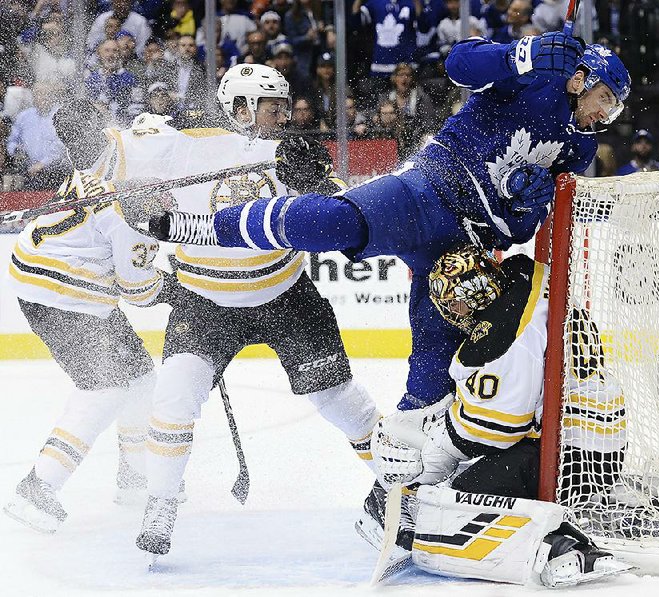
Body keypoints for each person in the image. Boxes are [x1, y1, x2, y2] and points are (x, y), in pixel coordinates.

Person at [146, 35, 631, 417]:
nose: (605, 113)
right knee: (338, 221)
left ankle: (392, 497)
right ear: (579, 78)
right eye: (604, 97)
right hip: (426, 191)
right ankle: (211, 228)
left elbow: (525, 227)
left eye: (614, 107)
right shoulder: (537, 78)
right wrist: (515, 55)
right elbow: (459, 64)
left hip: (465, 248)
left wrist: (527, 203)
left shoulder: (582, 147)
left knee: (434, 374)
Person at [97, 64, 382, 557]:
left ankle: (401, 484)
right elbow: (105, 155)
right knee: (173, 399)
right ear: (243, 108)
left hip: (286, 297)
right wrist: (99, 157)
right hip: (205, 303)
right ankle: (161, 501)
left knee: (340, 400)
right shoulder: (181, 142)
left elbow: (339, 213)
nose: (283, 117)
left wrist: (317, 182)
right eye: (273, 108)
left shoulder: (291, 151)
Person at [367, 245, 630, 587]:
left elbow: (494, 430)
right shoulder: (525, 278)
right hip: (592, 441)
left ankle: (563, 547)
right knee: (471, 474)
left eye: (456, 303)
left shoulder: (503, 340)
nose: (454, 312)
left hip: (573, 461)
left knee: (465, 495)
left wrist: (435, 451)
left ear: (476, 294)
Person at [3, 99, 171, 533]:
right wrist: (178, 289)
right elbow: (138, 289)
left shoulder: (110, 149)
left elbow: (143, 136)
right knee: (105, 388)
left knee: (140, 378)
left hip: (57, 276)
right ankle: (37, 488)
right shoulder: (127, 203)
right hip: (63, 292)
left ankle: (135, 479)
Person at [87, 0, 152, 57]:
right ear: (113, 2)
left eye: (125, 1)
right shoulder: (102, 19)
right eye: (119, 1)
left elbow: (144, 48)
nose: (122, 4)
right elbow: (91, 43)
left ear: (131, 3)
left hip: (130, 61)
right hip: (103, 59)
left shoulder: (140, 21)